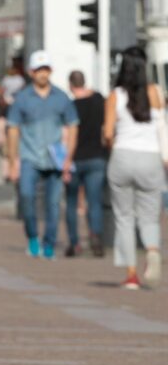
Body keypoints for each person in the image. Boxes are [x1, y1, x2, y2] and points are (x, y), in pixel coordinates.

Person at [6, 50, 79, 260]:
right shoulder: (22, 98)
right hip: (29, 157)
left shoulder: (62, 97)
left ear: (51, 71)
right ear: (31, 72)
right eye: (38, 70)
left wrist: (68, 158)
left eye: (45, 69)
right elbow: (12, 129)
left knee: (54, 204)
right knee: (27, 197)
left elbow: (73, 126)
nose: (42, 74)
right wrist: (13, 162)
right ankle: (32, 237)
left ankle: (49, 243)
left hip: (55, 159)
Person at [104, 46, 163, 289]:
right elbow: (162, 127)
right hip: (150, 157)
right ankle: (152, 250)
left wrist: (113, 145)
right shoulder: (155, 92)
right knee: (150, 216)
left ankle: (131, 275)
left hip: (123, 157)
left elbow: (108, 133)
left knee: (124, 217)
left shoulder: (116, 95)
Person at [65, 70, 107, 258]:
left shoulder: (71, 106)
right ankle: (95, 236)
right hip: (96, 157)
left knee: (72, 202)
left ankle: (74, 243)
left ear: (70, 86)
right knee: (94, 201)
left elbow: (66, 135)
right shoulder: (99, 99)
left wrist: (65, 160)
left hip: (75, 159)